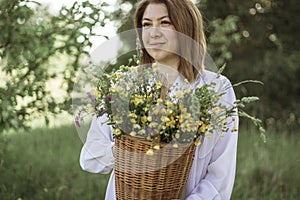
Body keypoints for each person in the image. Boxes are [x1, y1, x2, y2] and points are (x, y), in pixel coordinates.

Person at [79, 0, 239, 199]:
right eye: (146, 24)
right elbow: (89, 157)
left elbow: (219, 177)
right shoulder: (124, 85)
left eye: (165, 23)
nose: (154, 33)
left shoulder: (216, 88)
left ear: (185, 27)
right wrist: (131, 153)